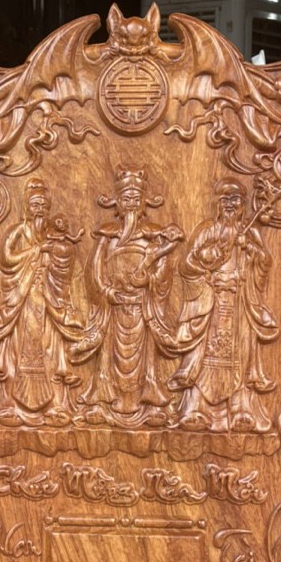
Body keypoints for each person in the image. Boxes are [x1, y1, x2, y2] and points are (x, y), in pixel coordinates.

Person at [72, 167, 183, 426]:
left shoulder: (154, 235)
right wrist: (107, 291)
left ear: (143, 203)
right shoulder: (108, 234)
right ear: (118, 203)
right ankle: (103, 402)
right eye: (126, 199)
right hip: (114, 309)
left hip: (142, 308)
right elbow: (94, 269)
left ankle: (149, 405)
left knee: (145, 359)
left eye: (136, 199)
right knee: (108, 357)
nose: (131, 204)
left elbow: (163, 270)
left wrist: (150, 280)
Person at [167, 179, 278, 431]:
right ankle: (195, 408)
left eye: (235, 200)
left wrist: (249, 249)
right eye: (225, 200)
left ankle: (239, 410)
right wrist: (208, 265)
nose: (230, 205)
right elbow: (187, 264)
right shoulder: (208, 231)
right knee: (203, 356)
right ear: (217, 203)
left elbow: (265, 263)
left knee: (241, 356)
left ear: (243, 204)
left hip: (239, 303)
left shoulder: (250, 233)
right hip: (212, 302)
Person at [0, 178, 84, 425]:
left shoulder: (51, 233)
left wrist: (55, 255)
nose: (40, 210)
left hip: (47, 298)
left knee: (51, 349)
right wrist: (37, 251)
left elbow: (65, 259)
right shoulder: (19, 231)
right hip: (23, 299)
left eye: (43, 205)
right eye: (35, 204)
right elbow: (6, 257)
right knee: (17, 351)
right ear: (27, 207)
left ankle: (56, 404)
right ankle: (10, 403)